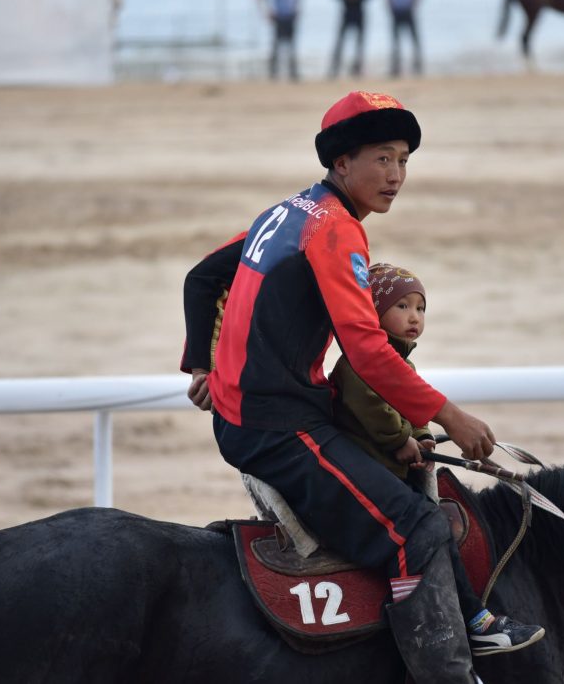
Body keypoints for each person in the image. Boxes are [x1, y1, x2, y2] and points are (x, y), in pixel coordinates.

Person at [182, 91, 544, 681]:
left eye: (403, 160)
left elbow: (202, 280)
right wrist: (450, 416)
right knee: (418, 527)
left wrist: (202, 366)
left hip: (268, 412)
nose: (396, 175)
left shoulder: (288, 212)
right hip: (276, 428)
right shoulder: (335, 231)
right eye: (382, 158)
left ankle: (474, 620)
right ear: (341, 163)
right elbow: (368, 351)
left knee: (407, 483)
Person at [330, 262, 544, 655]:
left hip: (393, 468)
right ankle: (472, 621)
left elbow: (414, 406)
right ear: (373, 313)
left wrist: (424, 436)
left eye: (420, 308)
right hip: (372, 470)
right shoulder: (356, 363)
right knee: (431, 531)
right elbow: (375, 411)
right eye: (402, 307)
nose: (414, 317)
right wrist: (400, 441)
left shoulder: (402, 363)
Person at [259, 0, 300, 81]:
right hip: (279, 18)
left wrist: (297, 10)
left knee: (291, 47)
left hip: (290, 18)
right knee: (276, 47)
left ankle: (292, 73)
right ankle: (273, 73)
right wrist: (267, 12)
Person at [330, 0, 369, 78]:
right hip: (346, 12)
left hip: (359, 13)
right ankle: (335, 68)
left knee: (359, 44)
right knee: (340, 43)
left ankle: (357, 68)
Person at [387, 0, 422, 77]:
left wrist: (414, 5)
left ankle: (417, 65)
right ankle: (396, 66)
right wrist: (391, 7)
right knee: (396, 41)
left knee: (414, 39)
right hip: (396, 10)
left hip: (408, 9)